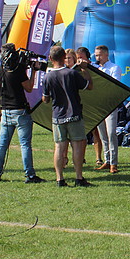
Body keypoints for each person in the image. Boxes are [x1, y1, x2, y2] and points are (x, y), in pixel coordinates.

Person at [0, 43, 44, 183]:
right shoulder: (19, 70)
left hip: (5, 112)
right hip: (20, 111)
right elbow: (29, 88)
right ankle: (30, 175)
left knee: (2, 144)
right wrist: (33, 72)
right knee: (25, 144)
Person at [42, 45, 93, 187]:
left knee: (59, 147)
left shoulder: (48, 76)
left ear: (51, 59)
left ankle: (60, 179)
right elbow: (89, 86)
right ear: (64, 58)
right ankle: (78, 178)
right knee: (77, 146)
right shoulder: (71, 74)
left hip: (57, 116)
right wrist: (85, 69)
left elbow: (45, 100)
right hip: (74, 115)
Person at [94, 45, 122, 173]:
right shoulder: (95, 67)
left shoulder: (114, 68)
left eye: (99, 55)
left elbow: (113, 85)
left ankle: (114, 163)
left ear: (106, 55)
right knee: (102, 134)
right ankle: (107, 160)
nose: (97, 57)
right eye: (96, 55)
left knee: (111, 133)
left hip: (110, 104)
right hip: (98, 104)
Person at [76, 47, 103, 168]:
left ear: (88, 58)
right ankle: (81, 157)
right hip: (81, 105)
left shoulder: (96, 69)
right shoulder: (74, 71)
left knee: (96, 132)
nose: (79, 60)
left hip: (95, 104)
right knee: (81, 134)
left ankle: (98, 158)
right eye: (77, 58)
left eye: (81, 57)